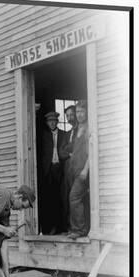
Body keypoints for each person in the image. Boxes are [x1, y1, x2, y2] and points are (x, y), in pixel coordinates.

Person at [38, 111, 67, 235]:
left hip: (59, 169)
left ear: (57, 122)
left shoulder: (64, 134)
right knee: (48, 199)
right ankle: (48, 228)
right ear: (47, 122)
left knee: (60, 198)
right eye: (50, 121)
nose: (52, 123)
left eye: (54, 121)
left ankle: (60, 227)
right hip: (47, 170)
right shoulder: (43, 135)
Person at [66, 100, 90, 239]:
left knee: (74, 198)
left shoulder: (88, 128)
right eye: (77, 112)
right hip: (74, 171)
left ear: (87, 112)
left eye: (82, 111)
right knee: (78, 199)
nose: (79, 115)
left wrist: (85, 170)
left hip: (82, 171)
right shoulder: (78, 128)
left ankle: (79, 230)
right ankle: (79, 228)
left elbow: (91, 152)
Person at [59, 105, 77, 233]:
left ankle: (78, 228)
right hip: (67, 171)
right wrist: (69, 152)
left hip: (77, 170)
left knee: (76, 198)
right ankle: (70, 227)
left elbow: (77, 148)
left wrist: (69, 149)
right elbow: (61, 152)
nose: (70, 118)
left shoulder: (81, 130)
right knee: (67, 198)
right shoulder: (68, 133)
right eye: (67, 116)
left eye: (72, 115)